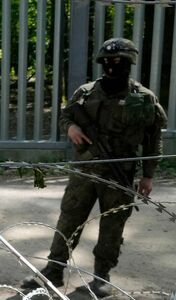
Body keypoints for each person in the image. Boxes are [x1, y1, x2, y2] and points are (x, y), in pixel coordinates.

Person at [19, 38, 167, 297]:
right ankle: (53, 270)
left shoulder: (144, 99)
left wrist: (148, 176)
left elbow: (154, 140)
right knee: (69, 220)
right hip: (84, 171)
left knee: (112, 226)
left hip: (120, 173)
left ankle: (102, 275)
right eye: (107, 62)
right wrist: (72, 128)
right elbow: (66, 116)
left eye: (118, 62)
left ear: (128, 63)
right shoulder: (86, 92)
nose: (111, 67)